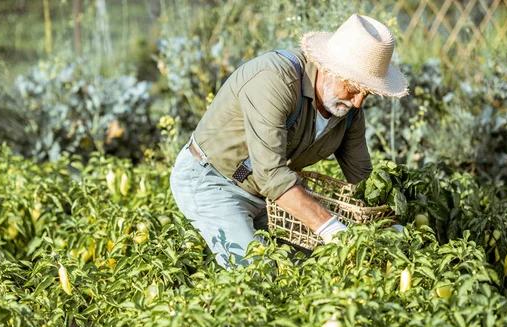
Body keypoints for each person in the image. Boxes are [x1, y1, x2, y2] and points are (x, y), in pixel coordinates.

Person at [170, 14, 409, 268]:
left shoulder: (349, 112)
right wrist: (330, 228)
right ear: (329, 67)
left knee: (312, 270)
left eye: (367, 92)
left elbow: (363, 179)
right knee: (257, 275)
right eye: (353, 88)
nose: (358, 102)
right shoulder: (275, 79)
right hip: (213, 180)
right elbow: (271, 175)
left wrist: (390, 224)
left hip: (269, 197)